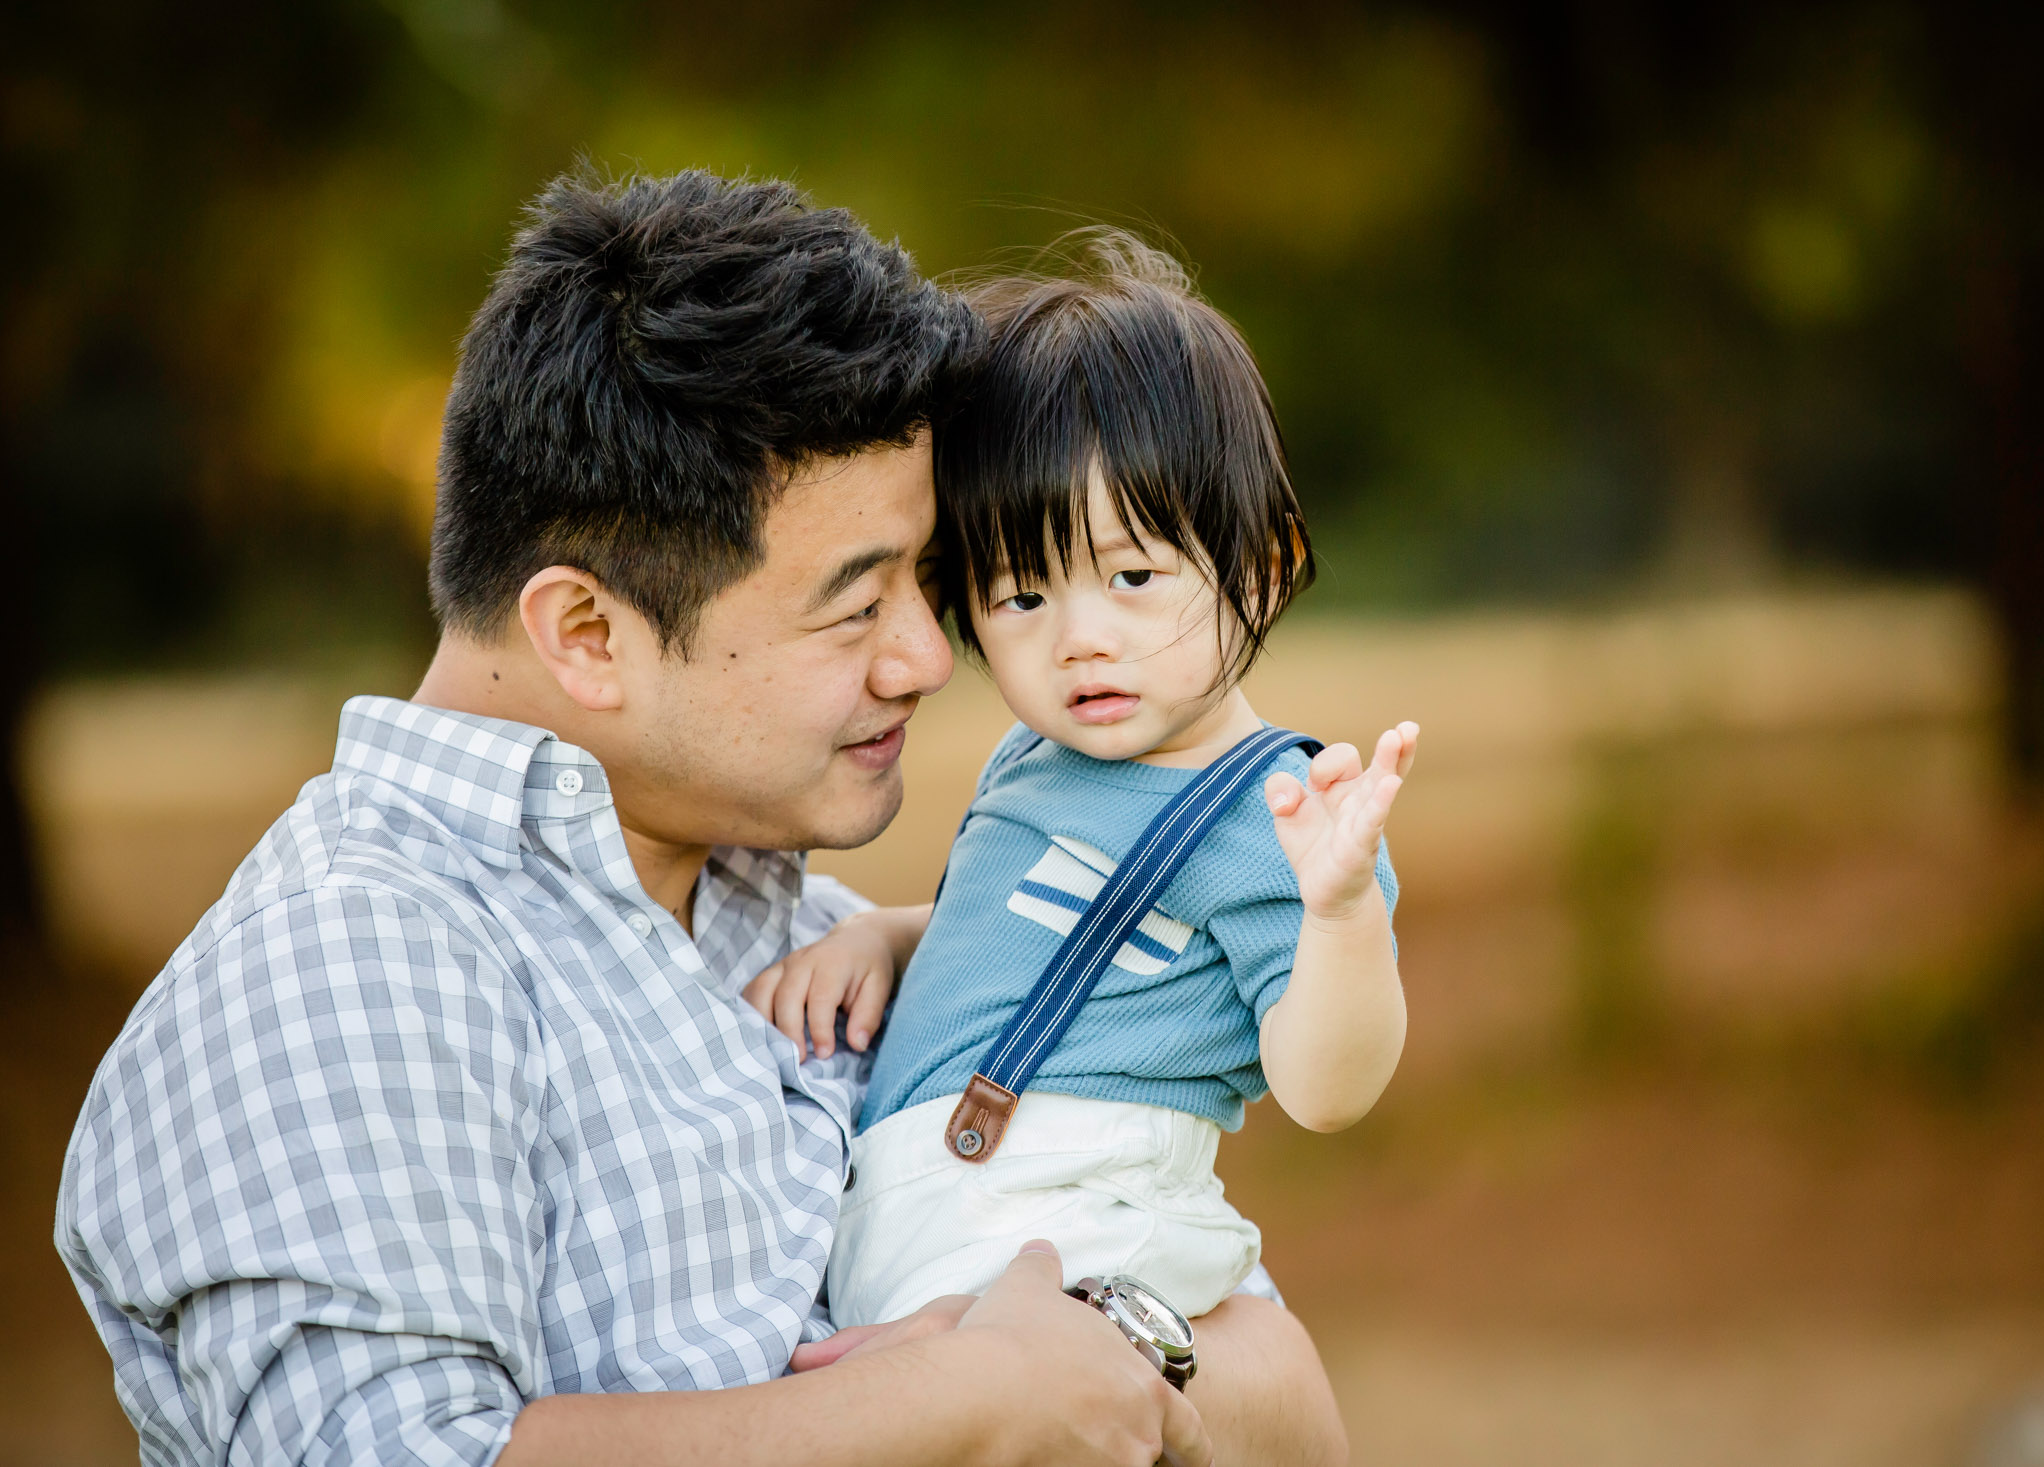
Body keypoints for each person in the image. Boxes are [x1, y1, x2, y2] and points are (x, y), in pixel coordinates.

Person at [54, 170, 1346, 1467]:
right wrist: (961, 1400)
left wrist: (1110, 1343)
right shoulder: (346, 965)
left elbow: (1278, 1376)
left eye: (931, 580)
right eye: (856, 602)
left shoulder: (826, 939)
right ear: (586, 632)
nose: (926, 657)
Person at [741, 233, 1415, 1330]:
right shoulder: (1041, 760)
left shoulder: (1273, 816)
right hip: (934, 1222)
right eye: (1022, 596)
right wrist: (890, 938)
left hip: (1074, 1220)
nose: (1079, 640)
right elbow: (1026, 926)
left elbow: (1324, 1089)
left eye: (1133, 577)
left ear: (1264, 568)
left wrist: (1339, 918)